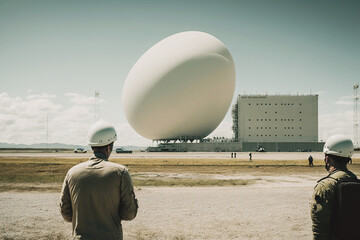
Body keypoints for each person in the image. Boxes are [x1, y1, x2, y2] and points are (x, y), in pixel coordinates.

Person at [60, 121, 138, 240]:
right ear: (109, 147)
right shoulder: (120, 172)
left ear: (92, 146)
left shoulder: (72, 172)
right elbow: (129, 214)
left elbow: (66, 213)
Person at [311, 134, 357, 240]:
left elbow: (319, 228)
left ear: (327, 159)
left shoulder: (324, 186)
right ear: (348, 159)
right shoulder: (355, 181)